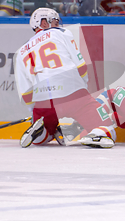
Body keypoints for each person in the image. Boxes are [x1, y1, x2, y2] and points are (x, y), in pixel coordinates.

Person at [13, 8, 117, 149]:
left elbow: (25, 93)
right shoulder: (61, 33)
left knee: (43, 137)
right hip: (72, 91)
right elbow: (81, 66)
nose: (57, 25)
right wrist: (83, 91)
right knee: (107, 128)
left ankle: (41, 130)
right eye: (54, 21)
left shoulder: (21, 52)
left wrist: (35, 112)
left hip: (43, 100)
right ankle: (96, 133)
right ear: (43, 23)